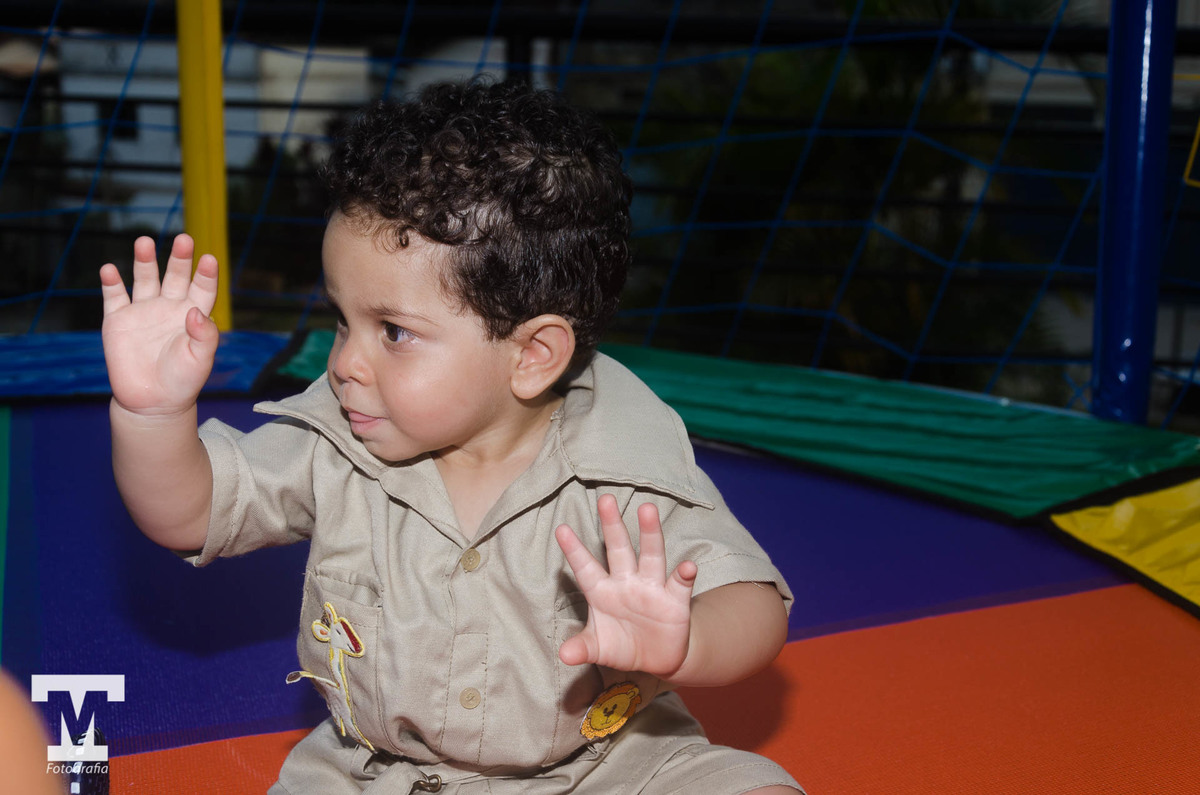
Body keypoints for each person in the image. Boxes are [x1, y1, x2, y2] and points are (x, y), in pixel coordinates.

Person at [100, 80, 803, 794]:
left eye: (394, 332)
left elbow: (754, 602)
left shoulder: (623, 456)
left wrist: (686, 639)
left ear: (531, 355)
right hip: (385, 774)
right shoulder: (340, 434)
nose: (345, 362)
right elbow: (188, 510)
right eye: (343, 319)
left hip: (607, 764)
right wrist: (152, 413)